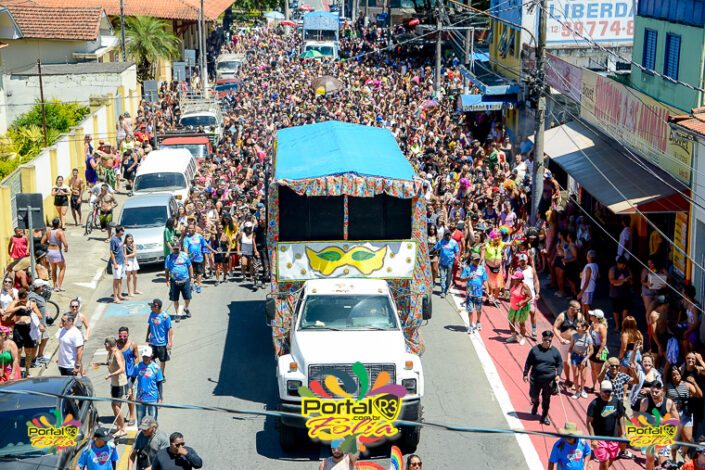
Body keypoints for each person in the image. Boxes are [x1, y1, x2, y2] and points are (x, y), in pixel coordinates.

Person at [523, 330, 563, 425]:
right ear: (542, 339)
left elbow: (560, 364)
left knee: (546, 398)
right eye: (545, 340)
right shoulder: (535, 350)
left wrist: (558, 375)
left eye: (549, 340)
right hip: (535, 378)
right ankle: (535, 404)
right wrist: (525, 374)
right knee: (533, 395)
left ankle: (544, 415)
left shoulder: (555, 352)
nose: (547, 342)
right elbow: (528, 362)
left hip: (549, 380)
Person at [91, 336, 128, 438]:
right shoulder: (110, 353)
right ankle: (119, 426)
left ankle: (122, 428)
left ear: (108, 344)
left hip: (120, 383)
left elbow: (122, 369)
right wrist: (100, 363)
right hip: (114, 383)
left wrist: (110, 375)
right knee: (115, 405)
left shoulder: (116, 353)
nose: (104, 346)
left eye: (105, 344)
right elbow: (110, 363)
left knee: (116, 406)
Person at [586, 380, 627, 470]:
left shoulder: (616, 402)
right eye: (605, 391)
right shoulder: (594, 404)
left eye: (609, 391)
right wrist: (593, 438)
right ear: (600, 390)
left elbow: (621, 417)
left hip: (613, 438)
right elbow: (589, 422)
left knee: (611, 460)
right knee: (604, 461)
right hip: (599, 438)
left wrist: (623, 433)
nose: (607, 394)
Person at [640, 381, 680, 470]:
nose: (654, 394)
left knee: (663, 462)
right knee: (650, 459)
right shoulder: (644, 402)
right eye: (652, 392)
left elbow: (677, 421)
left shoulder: (669, 403)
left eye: (656, 392)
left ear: (662, 390)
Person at [4, 288, 42, 377]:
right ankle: (17, 372)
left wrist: (31, 313)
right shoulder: (16, 302)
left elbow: (40, 316)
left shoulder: (32, 303)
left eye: (25, 300)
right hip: (18, 329)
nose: (23, 302)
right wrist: (20, 307)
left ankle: (27, 371)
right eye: (22, 300)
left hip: (29, 329)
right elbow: (7, 311)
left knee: (28, 352)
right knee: (18, 351)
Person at [553, 300, 583, 388]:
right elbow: (555, 328)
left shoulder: (579, 316)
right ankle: (567, 379)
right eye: (577, 309)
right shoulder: (562, 316)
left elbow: (585, 327)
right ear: (571, 308)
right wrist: (560, 338)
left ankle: (575, 381)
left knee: (575, 362)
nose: (579, 311)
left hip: (576, 342)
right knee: (566, 362)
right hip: (565, 342)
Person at [459, 252, 488, 334]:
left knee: (479, 309)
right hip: (470, 292)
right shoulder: (467, 269)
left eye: (478, 259)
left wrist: (487, 289)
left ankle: (478, 321)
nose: (477, 261)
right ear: (472, 260)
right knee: (470, 310)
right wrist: (469, 277)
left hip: (479, 292)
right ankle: (470, 326)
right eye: (476, 260)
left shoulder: (482, 269)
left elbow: (485, 280)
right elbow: (461, 279)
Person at [117, 326, 139, 426]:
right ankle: (119, 418)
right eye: (120, 336)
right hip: (119, 375)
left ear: (128, 335)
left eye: (124, 336)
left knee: (130, 396)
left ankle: (131, 416)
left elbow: (136, 357)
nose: (122, 338)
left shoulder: (132, 345)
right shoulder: (115, 344)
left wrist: (136, 371)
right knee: (118, 397)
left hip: (130, 375)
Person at [135, 345, 163, 422]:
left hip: (152, 397)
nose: (145, 358)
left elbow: (159, 383)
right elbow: (133, 377)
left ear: (151, 356)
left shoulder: (156, 368)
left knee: (153, 421)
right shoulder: (137, 366)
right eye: (144, 356)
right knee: (140, 419)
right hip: (140, 397)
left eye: (147, 356)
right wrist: (130, 388)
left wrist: (160, 398)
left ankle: (153, 430)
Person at [165, 244, 193, 318]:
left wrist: (192, 277)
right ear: (172, 248)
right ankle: (177, 313)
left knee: (187, 298)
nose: (176, 250)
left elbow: (190, 266)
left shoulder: (185, 255)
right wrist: (167, 280)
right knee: (175, 299)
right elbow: (167, 269)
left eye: (177, 249)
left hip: (185, 280)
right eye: (174, 249)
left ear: (180, 247)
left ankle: (186, 308)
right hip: (174, 281)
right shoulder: (169, 257)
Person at [517, 253, 540, 340]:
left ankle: (534, 330)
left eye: (524, 261)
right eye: (521, 261)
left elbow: (536, 281)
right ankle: (522, 331)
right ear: (519, 261)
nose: (523, 262)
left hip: (531, 296)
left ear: (527, 261)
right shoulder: (517, 271)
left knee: (532, 313)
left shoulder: (531, 270)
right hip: (521, 297)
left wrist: (537, 292)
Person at [146, 299, 172, 375]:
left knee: (162, 360)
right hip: (152, 342)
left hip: (162, 343)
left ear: (156, 307)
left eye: (152, 306)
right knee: (150, 358)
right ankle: (155, 372)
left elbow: (170, 329)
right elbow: (150, 325)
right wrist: (147, 336)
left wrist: (170, 342)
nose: (150, 307)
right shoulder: (152, 314)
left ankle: (162, 375)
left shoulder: (165, 316)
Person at [41, 218, 68, 292]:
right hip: (57, 251)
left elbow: (42, 242)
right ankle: (59, 286)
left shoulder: (48, 231)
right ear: (59, 224)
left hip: (49, 251)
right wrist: (66, 248)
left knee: (53, 269)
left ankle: (54, 286)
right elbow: (65, 243)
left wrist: (49, 244)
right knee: (62, 268)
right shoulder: (60, 232)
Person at [568, 320, 593, 400]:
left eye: (578, 327)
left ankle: (582, 390)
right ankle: (577, 392)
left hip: (583, 357)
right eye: (577, 326)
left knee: (583, 377)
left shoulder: (588, 338)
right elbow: (570, 348)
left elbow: (591, 351)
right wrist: (568, 358)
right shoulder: (574, 336)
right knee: (575, 376)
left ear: (584, 328)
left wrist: (585, 359)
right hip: (575, 356)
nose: (576, 328)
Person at [28, 279, 51, 365]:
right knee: (36, 342)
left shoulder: (38, 295)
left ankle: (40, 356)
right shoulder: (32, 297)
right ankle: (32, 360)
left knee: (45, 338)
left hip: (42, 322)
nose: (44, 288)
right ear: (38, 287)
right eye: (43, 286)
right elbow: (32, 309)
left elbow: (41, 306)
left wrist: (46, 312)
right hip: (37, 324)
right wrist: (39, 324)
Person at [507, 270, 531, 344]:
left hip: (522, 308)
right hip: (513, 306)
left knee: (521, 323)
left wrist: (522, 302)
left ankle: (523, 337)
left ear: (520, 279)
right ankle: (514, 336)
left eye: (515, 278)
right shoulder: (514, 284)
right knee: (511, 321)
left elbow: (530, 297)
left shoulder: (524, 286)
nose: (513, 279)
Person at [608, 256, 632, 332]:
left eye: (625, 264)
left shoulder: (627, 269)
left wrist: (629, 280)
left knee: (626, 310)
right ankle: (617, 326)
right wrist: (623, 280)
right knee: (616, 311)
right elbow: (611, 281)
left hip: (625, 293)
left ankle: (624, 326)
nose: (624, 266)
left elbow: (632, 280)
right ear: (618, 263)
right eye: (623, 264)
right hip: (615, 293)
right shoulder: (613, 269)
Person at [434, 230, 459, 298]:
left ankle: (446, 289)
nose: (448, 236)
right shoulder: (441, 242)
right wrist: (428, 253)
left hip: (450, 263)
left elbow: (457, 252)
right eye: (446, 235)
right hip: (442, 263)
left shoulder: (454, 242)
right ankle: (443, 291)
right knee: (442, 277)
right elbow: (435, 248)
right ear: (444, 235)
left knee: (448, 278)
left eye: (449, 235)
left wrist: (457, 259)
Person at [588, 309, 608, 392]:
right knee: (593, 369)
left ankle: (602, 388)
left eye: (592, 315)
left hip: (602, 350)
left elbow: (604, 341)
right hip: (593, 348)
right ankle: (593, 386)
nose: (590, 316)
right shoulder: (592, 324)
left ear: (596, 317)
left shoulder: (602, 327)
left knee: (598, 371)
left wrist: (599, 352)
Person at [183, 224, 206, 293]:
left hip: (199, 258)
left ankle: (198, 286)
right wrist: (186, 256)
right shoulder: (186, 238)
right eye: (189, 228)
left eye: (191, 228)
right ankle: (191, 285)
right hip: (190, 259)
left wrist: (212, 250)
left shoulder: (199, 236)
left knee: (199, 273)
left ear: (195, 229)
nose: (190, 230)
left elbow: (205, 244)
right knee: (190, 273)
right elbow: (185, 248)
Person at [110, 226, 126, 304]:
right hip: (117, 263)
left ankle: (119, 294)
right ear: (119, 231)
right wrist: (115, 263)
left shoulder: (120, 238)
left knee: (120, 279)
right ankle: (115, 297)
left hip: (122, 262)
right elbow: (111, 252)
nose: (123, 232)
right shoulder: (113, 240)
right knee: (116, 280)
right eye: (122, 231)